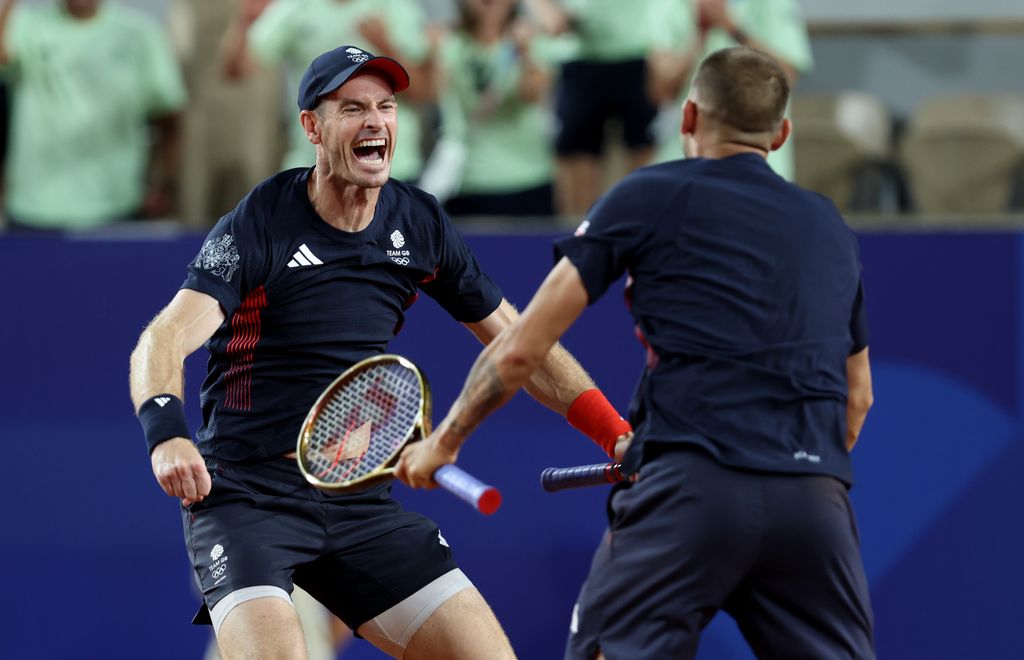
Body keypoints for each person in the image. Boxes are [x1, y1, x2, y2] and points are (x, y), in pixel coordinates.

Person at [129, 44, 630, 660]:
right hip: (247, 497)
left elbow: (520, 342)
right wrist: (166, 433)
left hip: (357, 499)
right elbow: (166, 336)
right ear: (312, 126)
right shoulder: (261, 220)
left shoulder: (417, 223)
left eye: (386, 107)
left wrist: (614, 434)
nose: (375, 122)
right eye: (352, 109)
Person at [397, 46, 875, 660]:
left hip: (689, 490)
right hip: (814, 499)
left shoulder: (647, 194)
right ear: (780, 134)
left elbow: (522, 347)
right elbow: (857, 397)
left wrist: (447, 440)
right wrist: (792, 463)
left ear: (688, 117)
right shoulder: (829, 226)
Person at [0, 0, 186, 230]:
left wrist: (164, 183)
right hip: (34, 207)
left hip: (117, 204)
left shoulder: (140, 32)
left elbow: (168, 116)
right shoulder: (26, 24)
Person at [221, 0, 436, 182]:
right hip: (314, 167)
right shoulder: (296, 7)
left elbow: (425, 90)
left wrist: (386, 46)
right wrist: (246, 19)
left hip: (389, 166)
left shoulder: (394, 7)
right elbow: (238, 68)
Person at [524, 0, 663, 216]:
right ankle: (578, 242)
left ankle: (641, 237)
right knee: (577, 169)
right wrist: (548, 12)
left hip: (636, 53)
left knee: (644, 164)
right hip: (578, 58)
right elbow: (551, 18)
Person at [420, 0, 557, 218]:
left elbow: (532, 93)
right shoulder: (449, 42)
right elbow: (431, 94)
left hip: (529, 178)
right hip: (468, 182)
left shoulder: (529, 39)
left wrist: (525, 54)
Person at [652, 0, 813, 179]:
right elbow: (658, 91)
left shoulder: (773, 4)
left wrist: (732, 27)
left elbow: (786, 76)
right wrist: (699, 37)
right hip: (683, 161)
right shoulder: (675, 6)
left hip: (759, 167)